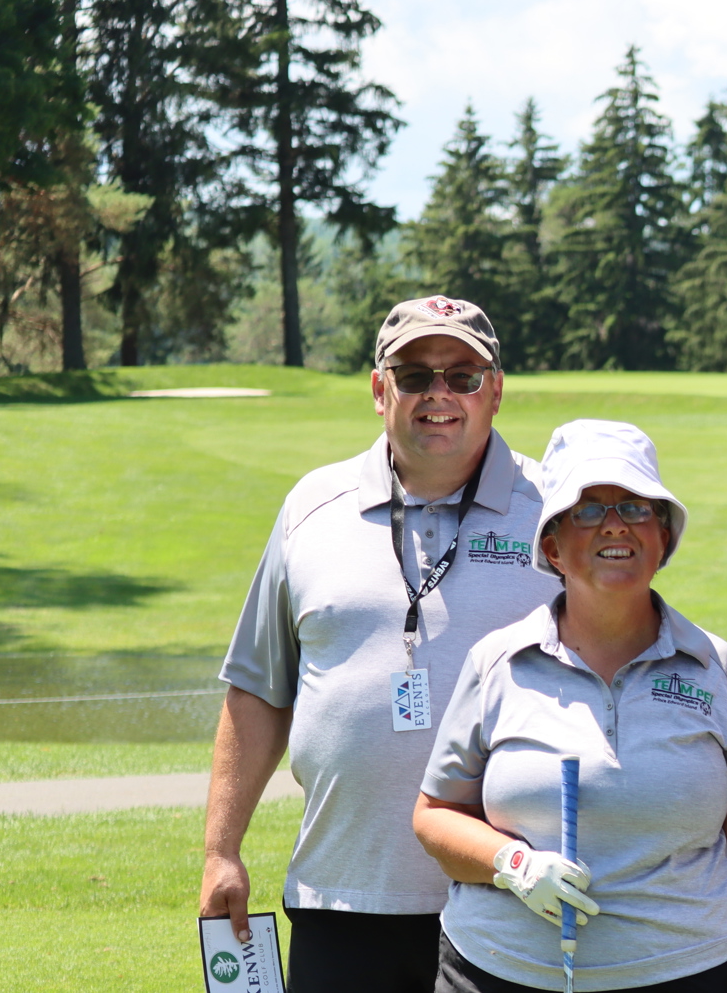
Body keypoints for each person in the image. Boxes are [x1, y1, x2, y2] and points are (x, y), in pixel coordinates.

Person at [202, 297, 562, 993]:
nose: (438, 394)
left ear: (495, 390)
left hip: (509, 898)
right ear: (378, 389)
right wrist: (221, 851)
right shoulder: (313, 507)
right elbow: (257, 689)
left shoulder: (555, 511)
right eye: (414, 374)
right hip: (341, 897)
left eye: (462, 375)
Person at [414, 420, 727, 993]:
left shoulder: (716, 667)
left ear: (664, 538)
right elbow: (433, 816)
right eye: (589, 509)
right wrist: (514, 865)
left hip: (694, 971)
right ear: (552, 546)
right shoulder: (496, 663)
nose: (616, 524)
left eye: (635, 507)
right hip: (501, 972)